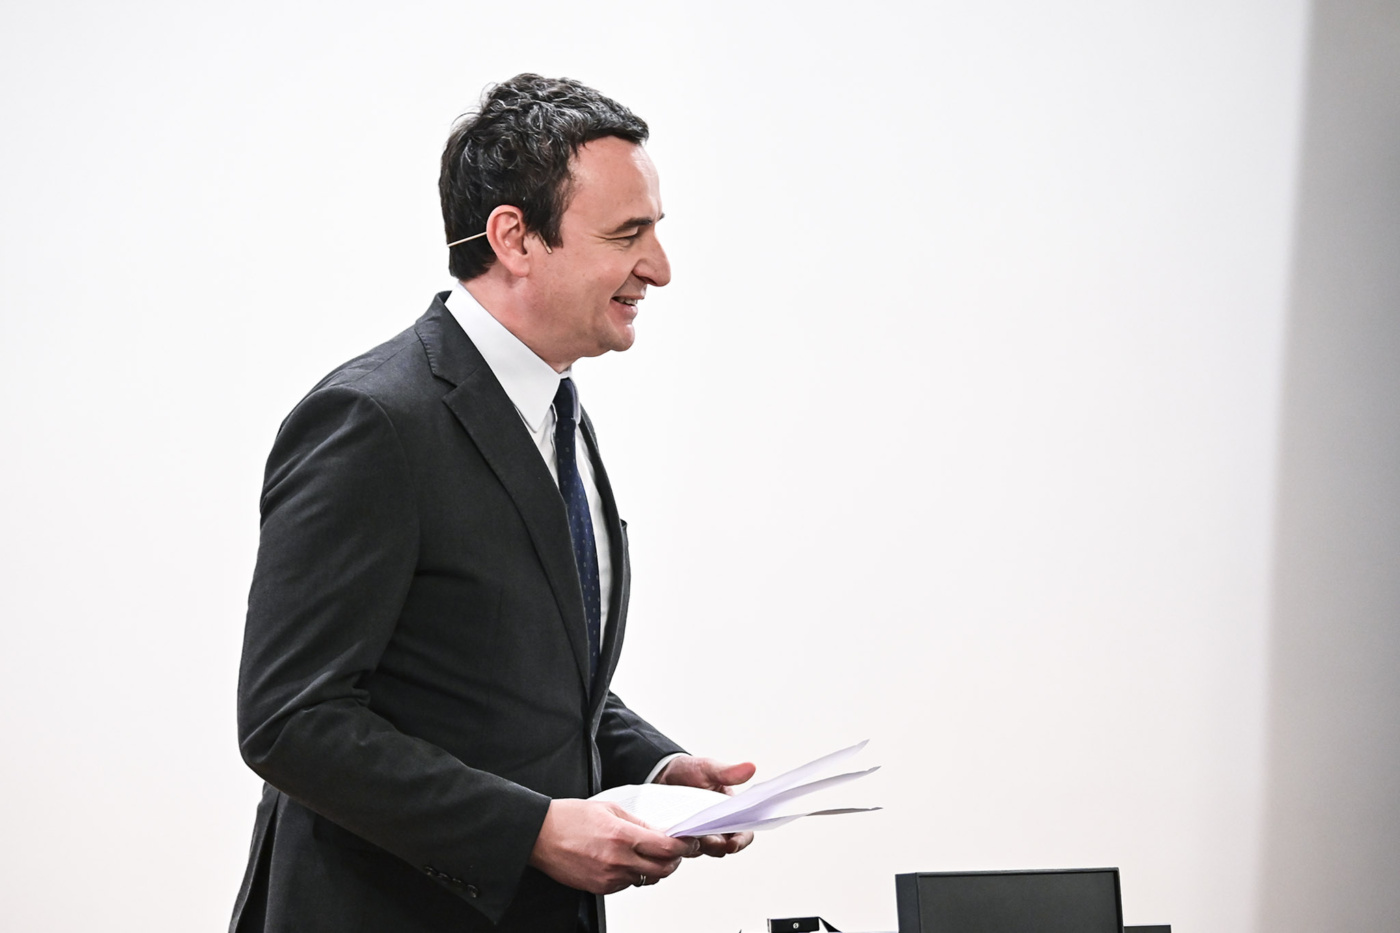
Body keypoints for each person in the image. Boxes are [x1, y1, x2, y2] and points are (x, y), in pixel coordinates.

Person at [229, 74, 754, 933]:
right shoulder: (371, 419)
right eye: (628, 233)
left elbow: (522, 676)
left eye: (656, 230)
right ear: (514, 237)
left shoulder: (557, 411)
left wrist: (661, 773)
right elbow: (292, 720)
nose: (659, 267)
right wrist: (531, 831)